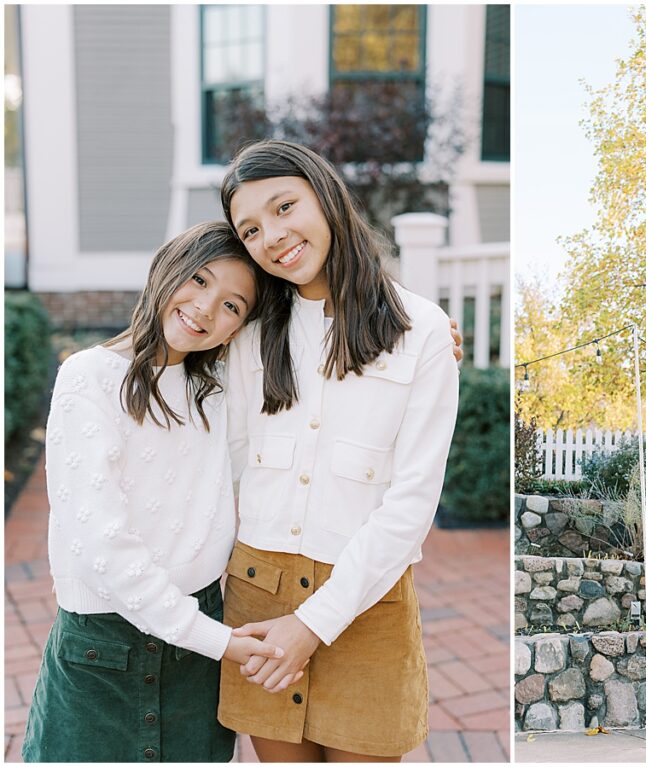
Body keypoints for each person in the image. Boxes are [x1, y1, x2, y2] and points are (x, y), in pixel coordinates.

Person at [215, 140, 460, 762]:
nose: (272, 235)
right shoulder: (245, 336)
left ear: (324, 195)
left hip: (366, 601)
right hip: (260, 598)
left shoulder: (421, 330)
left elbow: (411, 505)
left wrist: (314, 623)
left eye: (284, 206)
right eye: (249, 229)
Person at [22, 223, 295, 762]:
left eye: (232, 306)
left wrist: (410, 339)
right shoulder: (90, 377)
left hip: (195, 656)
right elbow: (102, 546)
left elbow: (312, 376)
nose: (204, 308)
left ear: (238, 329)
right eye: (197, 280)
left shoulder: (214, 395)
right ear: (167, 266)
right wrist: (218, 641)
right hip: (102, 653)